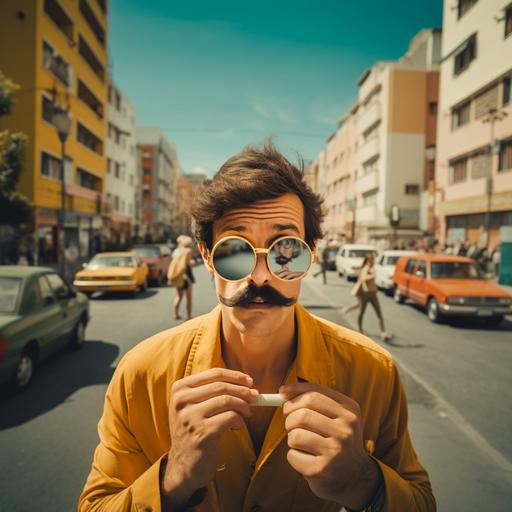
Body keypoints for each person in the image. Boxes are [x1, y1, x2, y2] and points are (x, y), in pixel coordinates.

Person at [79, 141, 435, 512]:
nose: (261, 276)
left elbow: (421, 501)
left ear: (311, 253)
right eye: (236, 250)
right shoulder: (141, 375)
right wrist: (173, 478)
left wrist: (363, 481)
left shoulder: (373, 372)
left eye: (287, 251)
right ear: (206, 255)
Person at [357, 253, 392, 342]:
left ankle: (383, 332)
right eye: (372, 260)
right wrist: (372, 275)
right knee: (361, 313)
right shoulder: (365, 268)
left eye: (373, 260)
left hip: (373, 294)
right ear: (368, 261)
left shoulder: (372, 269)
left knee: (379, 314)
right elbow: (363, 278)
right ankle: (360, 329)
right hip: (365, 294)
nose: (373, 261)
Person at [168, 235, 196, 320]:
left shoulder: (177, 251)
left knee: (178, 296)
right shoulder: (188, 251)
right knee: (189, 298)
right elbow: (188, 264)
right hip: (186, 276)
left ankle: (175, 314)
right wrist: (192, 262)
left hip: (179, 276)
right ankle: (189, 316)